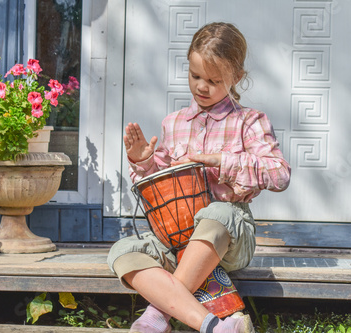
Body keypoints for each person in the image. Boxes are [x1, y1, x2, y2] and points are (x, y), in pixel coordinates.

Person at [107, 22, 291, 333]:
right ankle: (213, 326)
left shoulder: (249, 122)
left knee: (216, 212)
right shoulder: (174, 123)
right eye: (195, 76)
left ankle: (157, 315)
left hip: (229, 236)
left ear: (236, 78)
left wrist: (224, 162)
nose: (201, 86)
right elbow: (163, 182)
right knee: (122, 252)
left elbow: (280, 173)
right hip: (175, 235)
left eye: (214, 80)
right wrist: (144, 160)